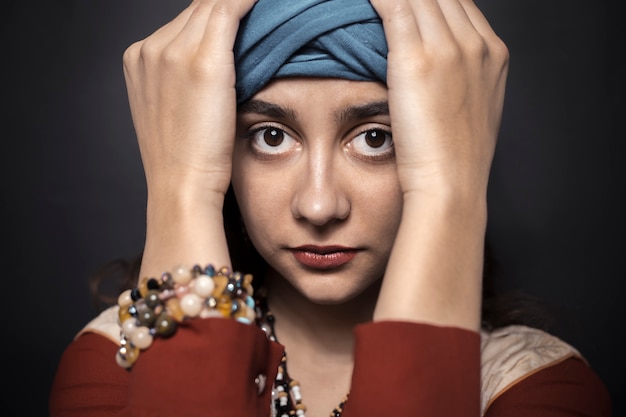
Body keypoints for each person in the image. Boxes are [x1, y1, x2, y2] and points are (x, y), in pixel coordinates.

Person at [49, 0, 612, 416]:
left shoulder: (538, 390)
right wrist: (182, 185)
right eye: (270, 136)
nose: (319, 205)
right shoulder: (108, 369)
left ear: (445, 143)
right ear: (218, 142)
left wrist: (450, 190)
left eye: (375, 138)